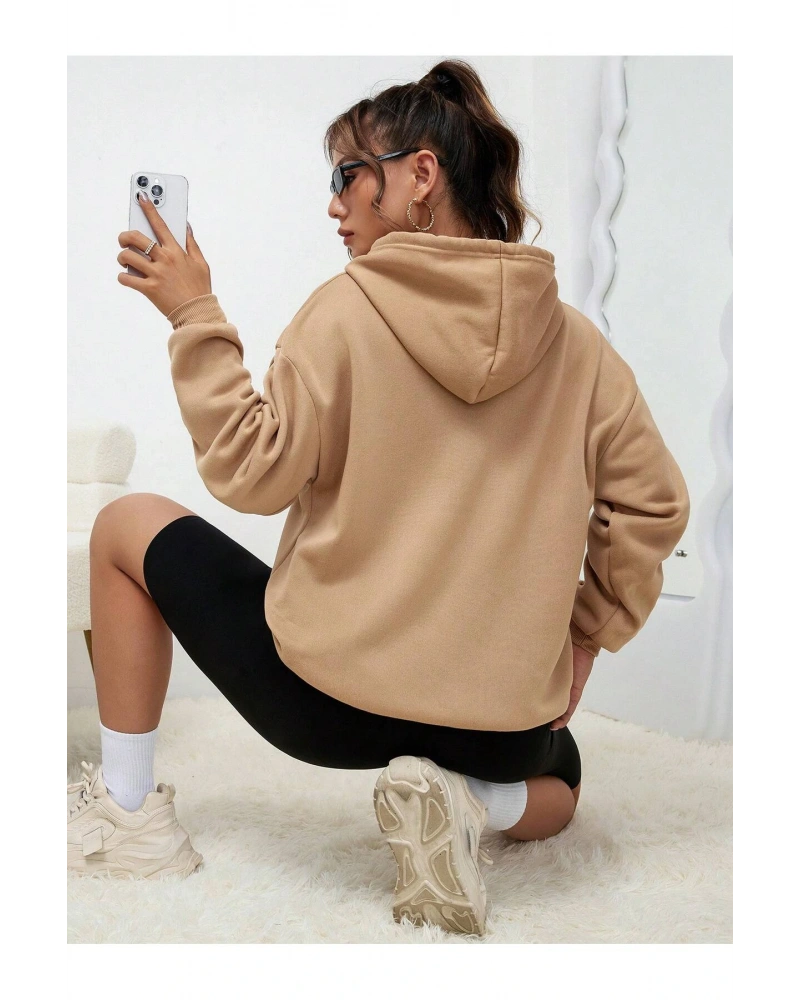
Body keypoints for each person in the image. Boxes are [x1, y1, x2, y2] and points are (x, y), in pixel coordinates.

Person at [65, 59, 690, 938]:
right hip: (497, 723)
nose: (334, 206)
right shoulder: (580, 348)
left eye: (347, 176)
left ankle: (130, 818)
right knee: (564, 775)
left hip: (326, 705)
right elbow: (654, 505)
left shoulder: (345, 311)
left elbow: (252, 472)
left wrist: (194, 314)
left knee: (123, 525)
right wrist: (585, 639)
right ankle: (472, 802)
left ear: (419, 175)